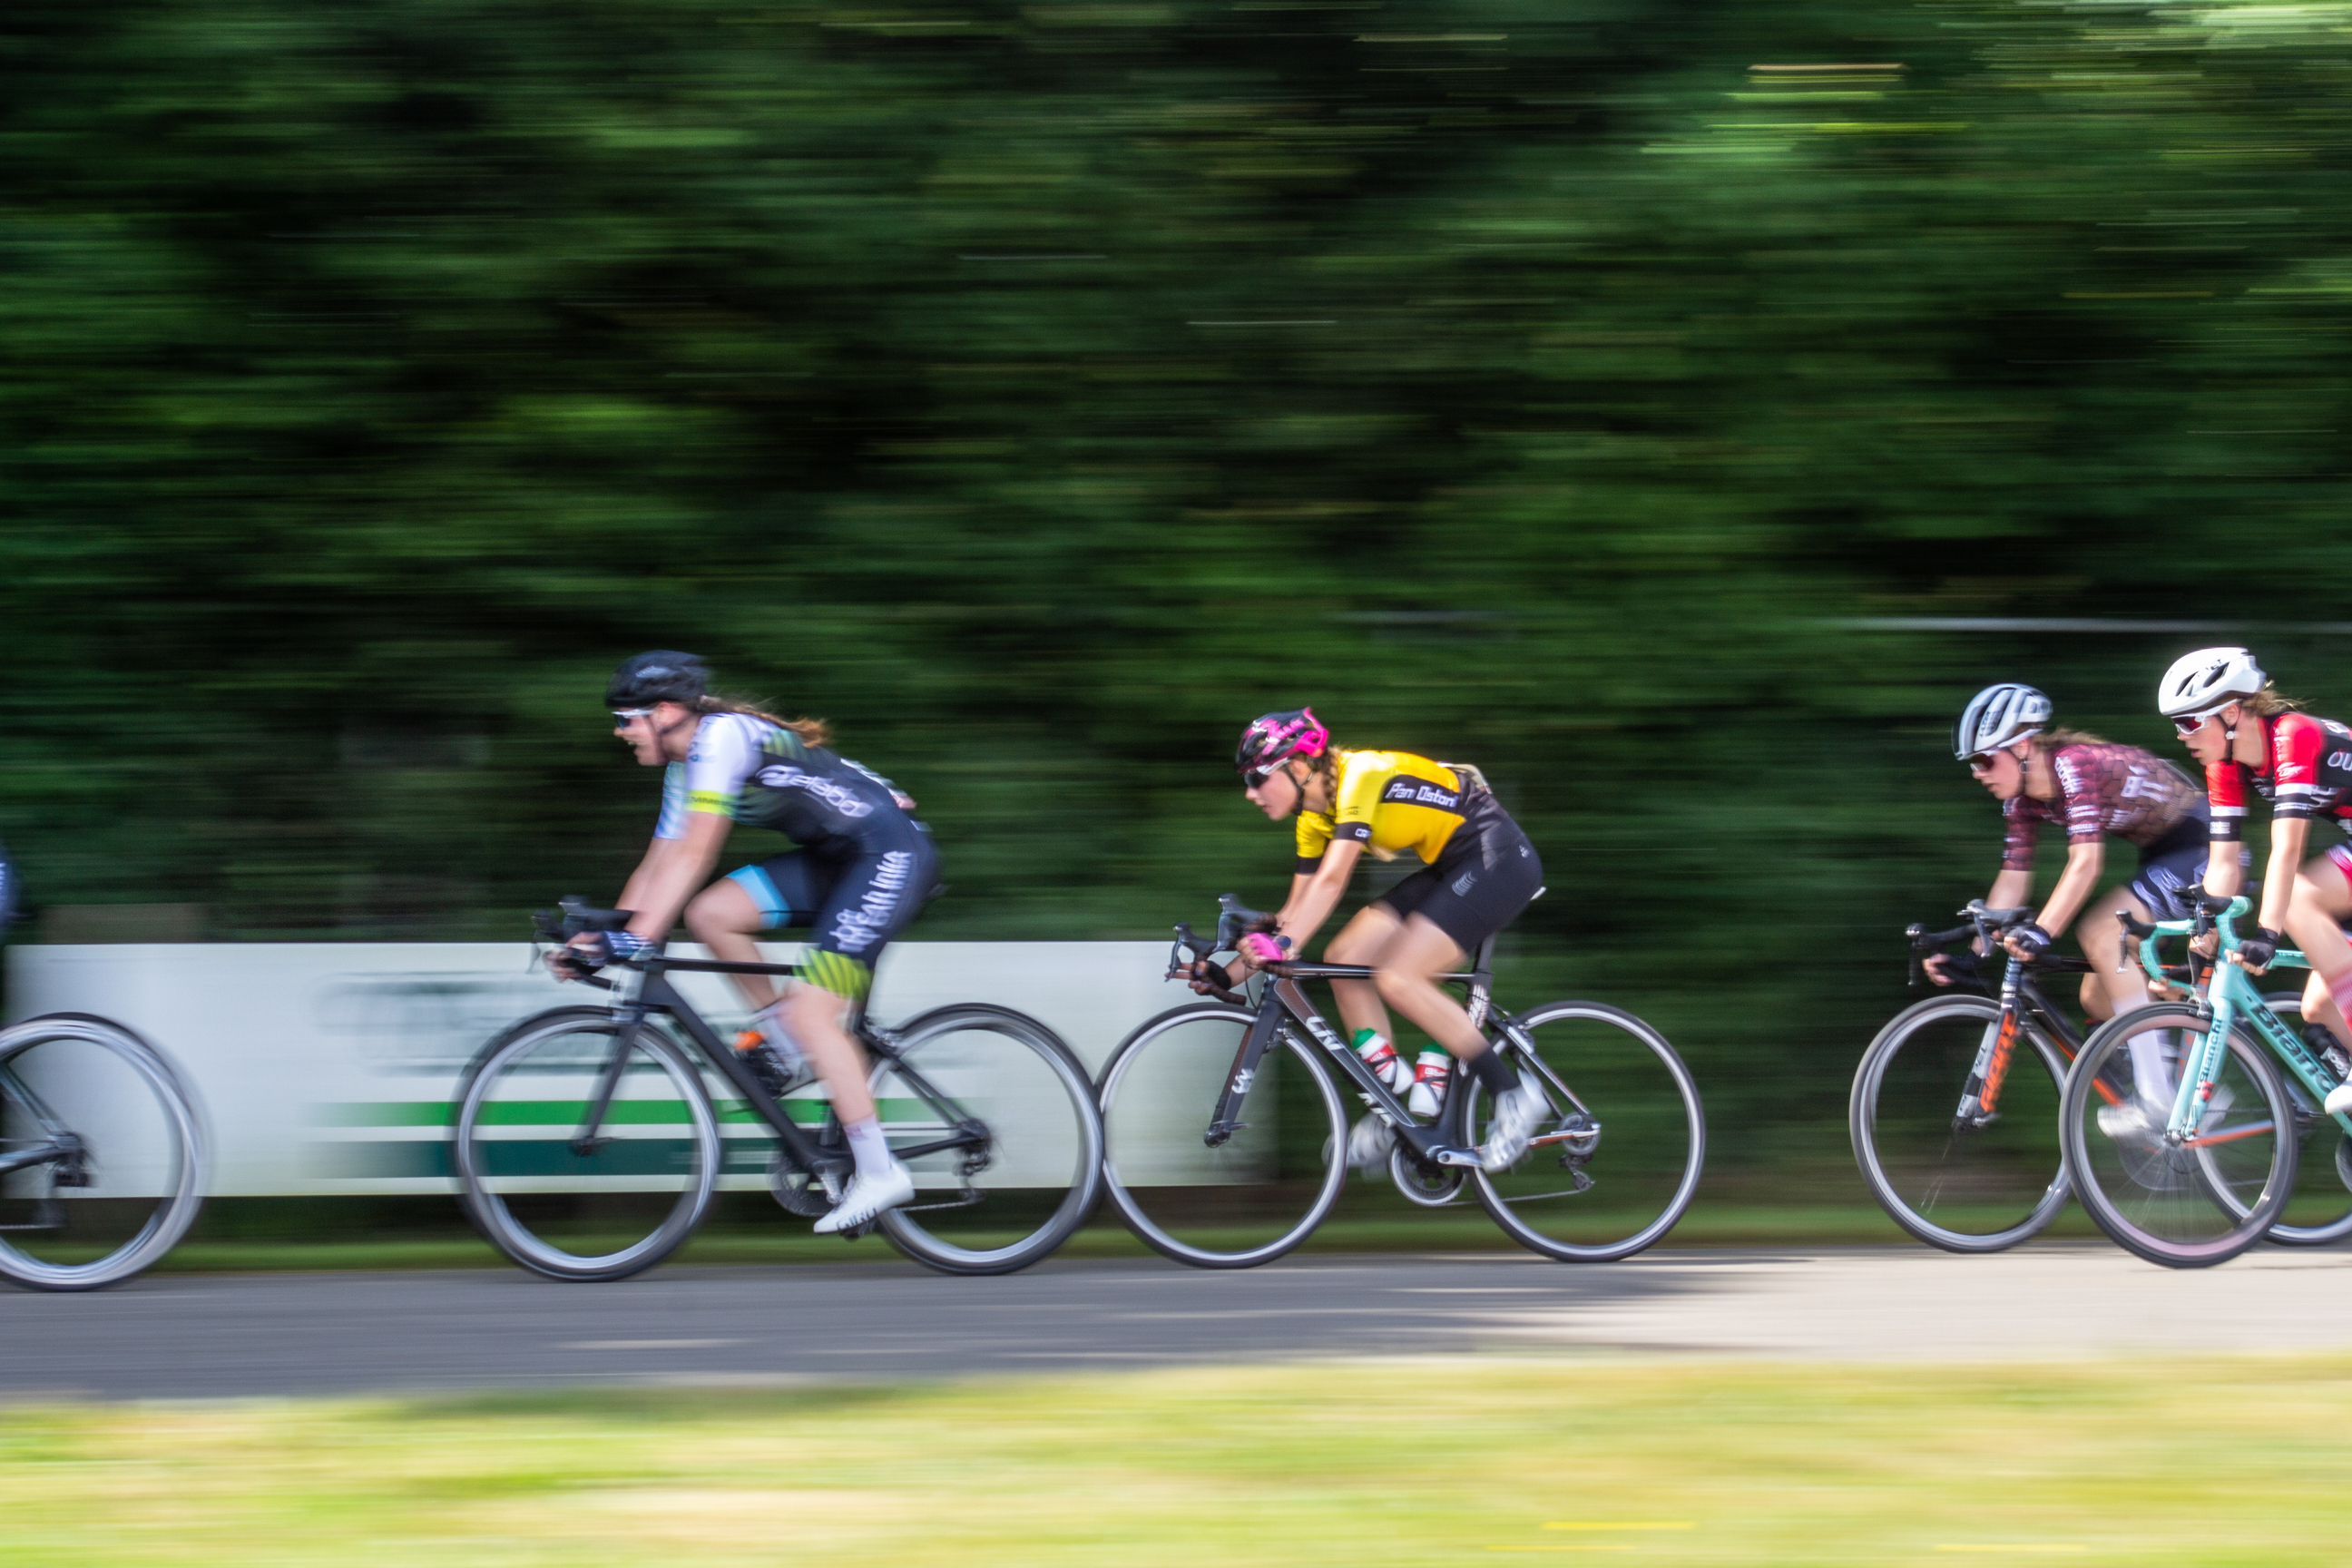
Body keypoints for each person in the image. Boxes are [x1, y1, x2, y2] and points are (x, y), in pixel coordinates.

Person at [554, 651, 942, 1232]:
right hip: (840, 860)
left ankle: (879, 1170)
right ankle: (787, 1043)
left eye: (627, 717)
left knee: (815, 1014)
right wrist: (606, 937)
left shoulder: (721, 741)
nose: (620, 730)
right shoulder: (684, 770)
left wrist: (634, 941)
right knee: (710, 914)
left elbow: (695, 853)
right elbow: (657, 868)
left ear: (664, 712)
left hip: (889, 857)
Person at [1189, 707, 1550, 1173]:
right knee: (1345, 957)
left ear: (1298, 766)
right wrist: (1228, 974)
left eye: (1258, 778)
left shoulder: (1360, 775)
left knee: (1400, 978)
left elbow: (1333, 881)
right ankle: (1396, 1106)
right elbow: (1294, 916)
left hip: (1495, 855)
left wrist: (1286, 942)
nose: (1249, 793)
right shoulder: (1311, 818)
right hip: (1452, 865)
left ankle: (1515, 1095)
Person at [1927, 682, 2221, 1032]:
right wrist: (1975, 956)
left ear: (2022, 746)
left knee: (2101, 932)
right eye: (1973, 765)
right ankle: (2180, 1075)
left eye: (1985, 760)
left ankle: (2154, 1086)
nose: (1978, 774)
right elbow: (2012, 881)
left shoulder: (2073, 765)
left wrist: (2041, 932)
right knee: (2098, 998)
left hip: (2206, 844)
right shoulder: (2020, 802)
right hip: (2161, 856)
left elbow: (2086, 863)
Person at [2158, 647, 2352, 1117]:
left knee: (2300, 896)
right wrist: (2201, 932)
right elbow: (2223, 863)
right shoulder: (2223, 763)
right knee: (2321, 1010)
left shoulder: (2293, 735)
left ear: (2229, 712)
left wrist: (2267, 933)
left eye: (2187, 722)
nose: (2181, 736)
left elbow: (2287, 846)